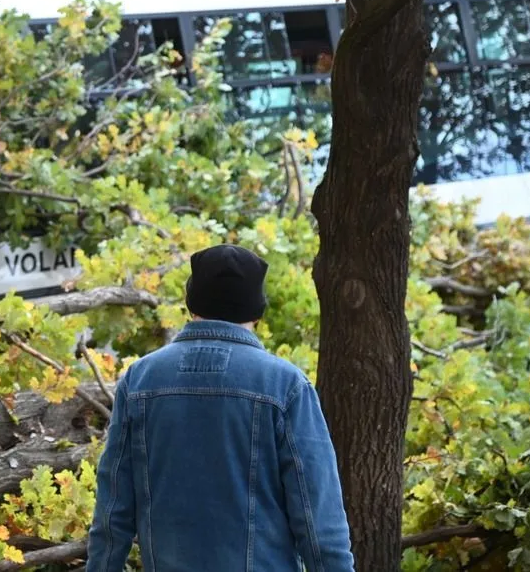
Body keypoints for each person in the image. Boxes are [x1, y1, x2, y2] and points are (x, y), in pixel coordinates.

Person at [86, 244, 354, 571]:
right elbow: (318, 523)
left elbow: (112, 514)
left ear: (191, 303)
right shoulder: (286, 386)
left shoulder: (139, 380)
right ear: (257, 312)